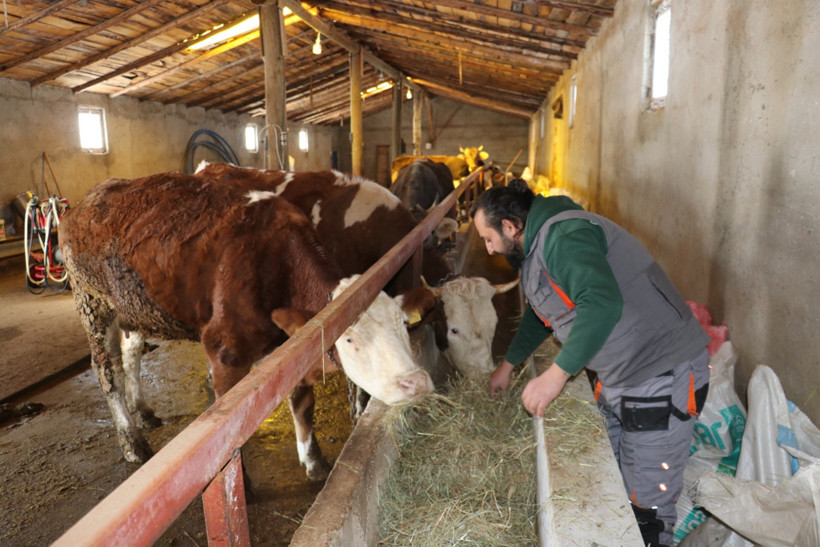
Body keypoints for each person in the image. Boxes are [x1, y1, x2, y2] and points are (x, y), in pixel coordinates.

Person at [471, 180, 710, 547]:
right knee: (614, 483)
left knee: (646, 508)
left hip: (659, 373)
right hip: (622, 375)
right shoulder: (538, 248)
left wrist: (555, 375)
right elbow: (544, 312)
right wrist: (509, 365)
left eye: (488, 238)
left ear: (510, 226)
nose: (488, 249)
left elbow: (601, 303)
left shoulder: (563, 236)